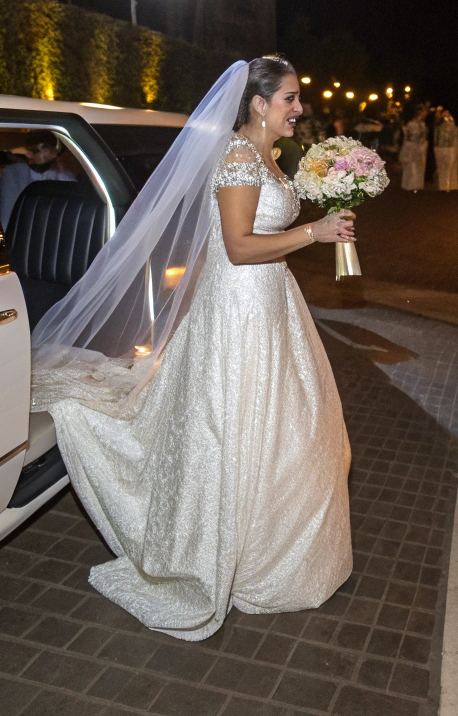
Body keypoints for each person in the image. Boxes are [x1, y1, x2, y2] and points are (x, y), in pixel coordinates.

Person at [28, 57, 355, 641]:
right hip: (241, 310)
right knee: (233, 428)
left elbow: (212, 248)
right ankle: (217, 554)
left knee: (288, 428)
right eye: (290, 98)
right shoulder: (235, 157)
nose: (298, 108)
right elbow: (236, 246)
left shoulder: (268, 159)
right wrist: (315, 232)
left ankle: (267, 553)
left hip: (267, 305)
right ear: (257, 103)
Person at [0, 130, 78, 230]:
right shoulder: (15, 174)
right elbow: (6, 210)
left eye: (34, 152)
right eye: (28, 151)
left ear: (50, 152)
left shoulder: (64, 178)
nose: (28, 155)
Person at [399, 104, 429, 191]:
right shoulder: (412, 124)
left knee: (419, 166)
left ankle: (417, 185)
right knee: (411, 165)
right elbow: (410, 136)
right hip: (412, 146)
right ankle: (409, 185)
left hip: (420, 147)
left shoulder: (423, 124)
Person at [434, 110, 458, 191]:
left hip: (450, 148)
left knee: (449, 167)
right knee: (441, 167)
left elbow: (457, 135)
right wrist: (435, 147)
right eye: (444, 115)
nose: (446, 116)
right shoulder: (438, 126)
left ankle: (448, 185)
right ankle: (442, 185)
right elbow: (436, 137)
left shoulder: (453, 126)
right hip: (440, 148)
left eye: (447, 115)